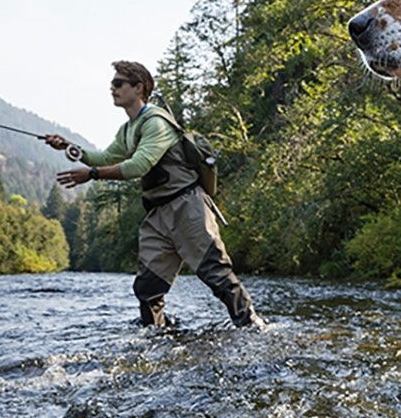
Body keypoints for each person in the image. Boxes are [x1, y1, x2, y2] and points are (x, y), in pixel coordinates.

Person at [46, 61, 261, 329]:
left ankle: (252, 327)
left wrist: (92, 174)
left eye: (118, 83)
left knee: (215, 273)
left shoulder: (156, 122)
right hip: (158, 215)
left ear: (139, 88)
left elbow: (138, 166)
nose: (112, 88)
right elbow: (104, 157)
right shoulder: (128, 129)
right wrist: (68, 146)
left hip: (187, 207)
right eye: (112, 84)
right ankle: (157, 338)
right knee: (147, 287)